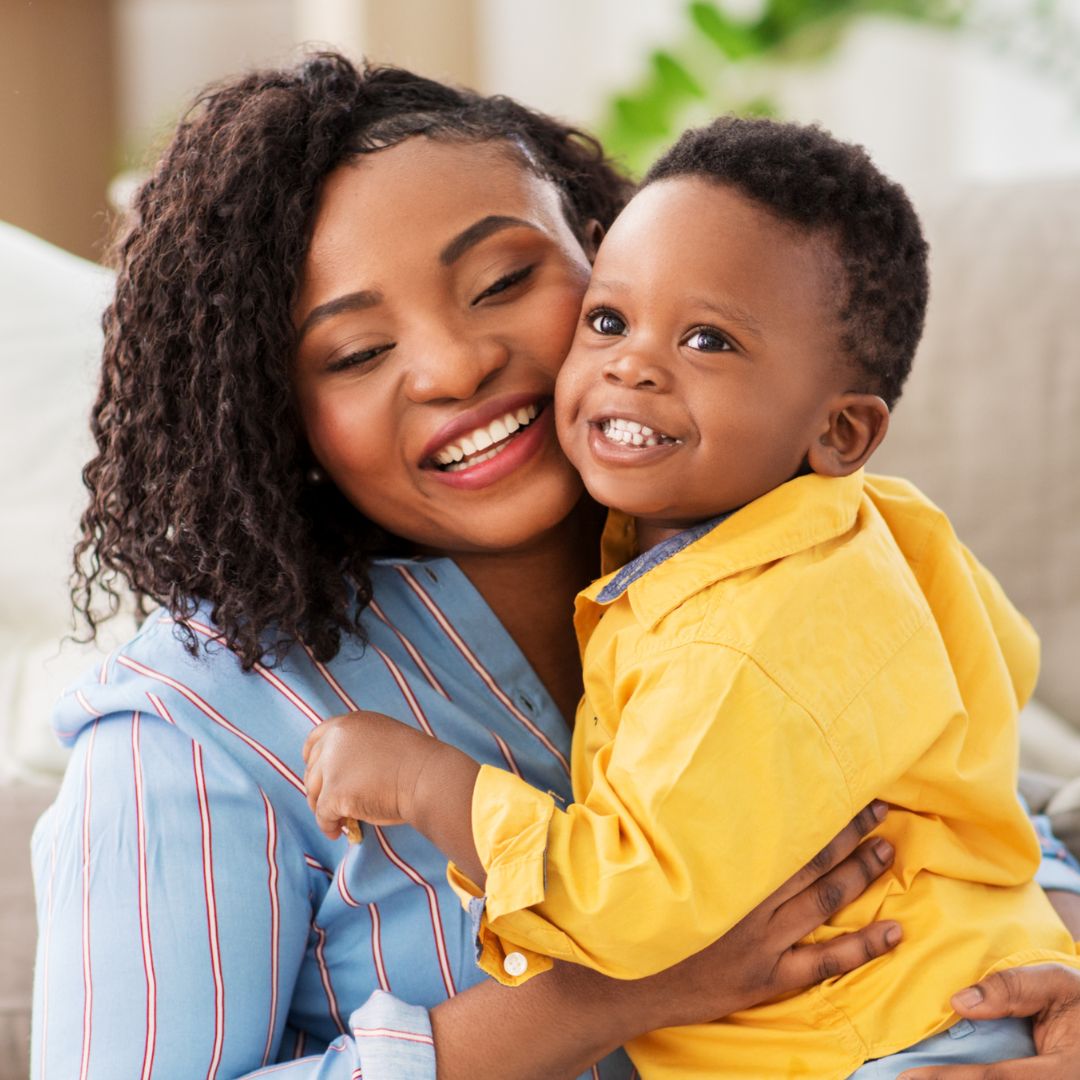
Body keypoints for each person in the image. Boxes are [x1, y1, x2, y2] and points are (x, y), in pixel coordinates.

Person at [30, 54, 1080, 1080]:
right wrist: (612, 994)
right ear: (276, 414)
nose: (456, 366)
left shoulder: (796, 547)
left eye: (504, 282)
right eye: (355, 353)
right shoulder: (185, 736)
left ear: (599, 247)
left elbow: (980, 809)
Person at [301, 117, 1080, 1079]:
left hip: (880, 1043)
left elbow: (631, 913)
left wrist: (428, 785)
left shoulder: (731, 638)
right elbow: (998, 670)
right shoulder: (879, 521)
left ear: (841, 431)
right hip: (948, 996)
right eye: (609, 321)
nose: (632, 364)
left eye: (708, 340)